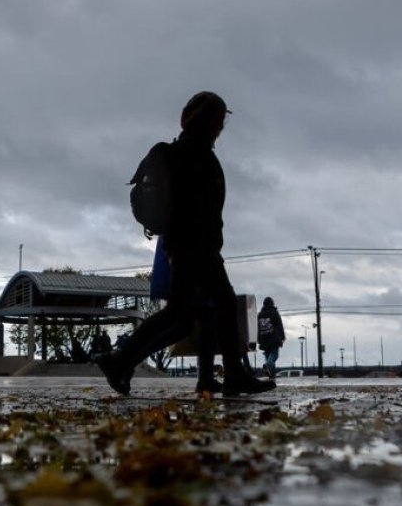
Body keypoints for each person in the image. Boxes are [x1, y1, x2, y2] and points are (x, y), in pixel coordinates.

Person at [97, 91, 275, 398]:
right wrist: (202, 244)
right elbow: (197, 208)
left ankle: (120, 360)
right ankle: (234, 375)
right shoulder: (194, 154)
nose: (222, 127)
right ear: (210, 121)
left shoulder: (186, 150)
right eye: (219, 120)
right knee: (220, 303)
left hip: (185, 246)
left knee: (182, 314)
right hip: (195, 247)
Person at [256, 297, 285, 377]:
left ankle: (271, 376)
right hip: (273, 338)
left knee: (268, 356)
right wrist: (282, 337)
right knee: (274, 355)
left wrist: (258, 339)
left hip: (263, 339)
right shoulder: (274, 312)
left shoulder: (260, 314)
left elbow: (257, 328)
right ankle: (267, 365)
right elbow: (279, 325)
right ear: (272, 303)